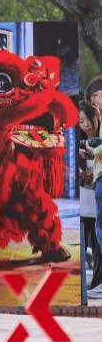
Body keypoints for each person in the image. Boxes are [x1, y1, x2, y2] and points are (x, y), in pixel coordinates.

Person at [78, 103, 102, 293]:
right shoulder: (78, 144)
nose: (85, 124)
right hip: (84, 198)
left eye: (88, 119)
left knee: (98, 241)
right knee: (85, 240)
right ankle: (86, 287)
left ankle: (97, 283)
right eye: (81, 121)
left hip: (96, 192)